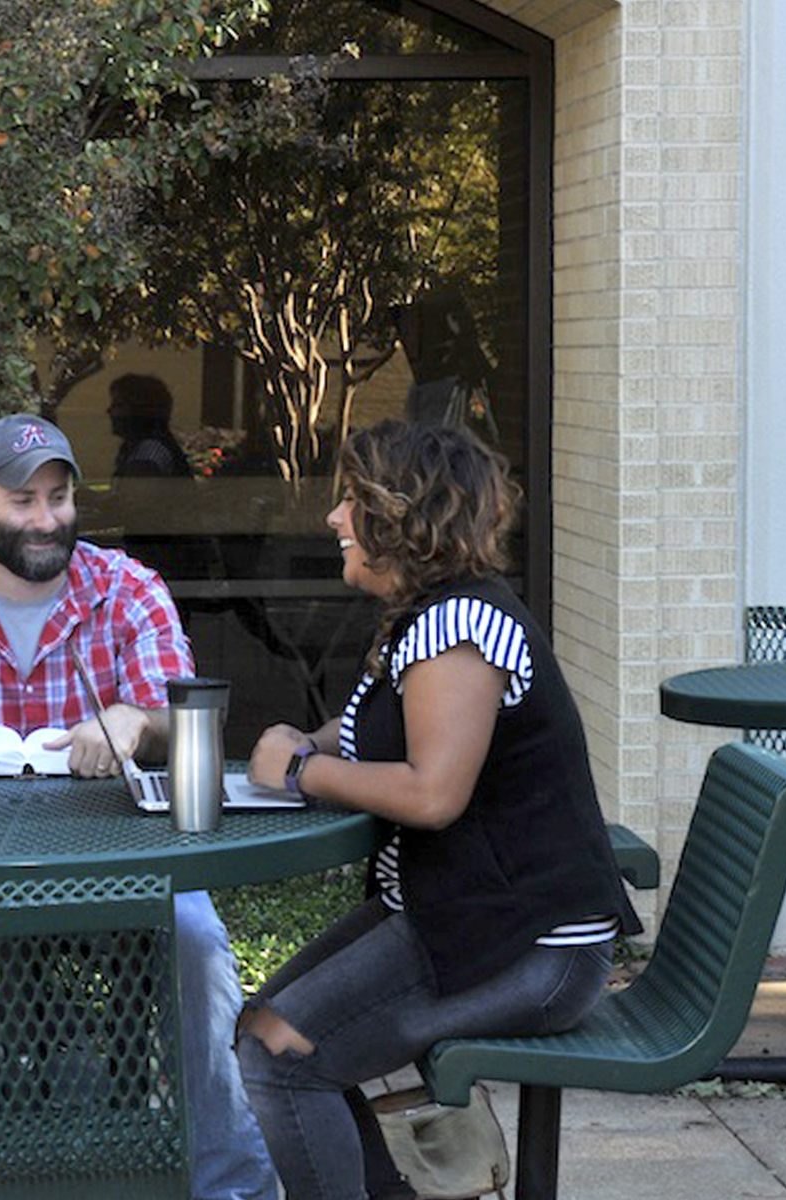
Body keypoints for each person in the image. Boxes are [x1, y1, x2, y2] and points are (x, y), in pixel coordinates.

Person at [0, 413, 279, 1200]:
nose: (48, 518)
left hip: (120, 868)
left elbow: (187, 715)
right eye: (23, 500)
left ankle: (229, 1184)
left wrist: (139, 720)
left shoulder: (126, 587)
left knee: (195, 941)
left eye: (59, 496)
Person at [235, 419, 637, 1200]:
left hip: (533, 950)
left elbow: (432, 794)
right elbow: (386, 730)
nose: (334, 519)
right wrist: (303, 743)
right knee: (267, 1028)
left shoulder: (459, 628)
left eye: (351, 500)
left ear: (403, 518)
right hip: (466, 920)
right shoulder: (434, 617)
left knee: (283, 1055)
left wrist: (305, 771)